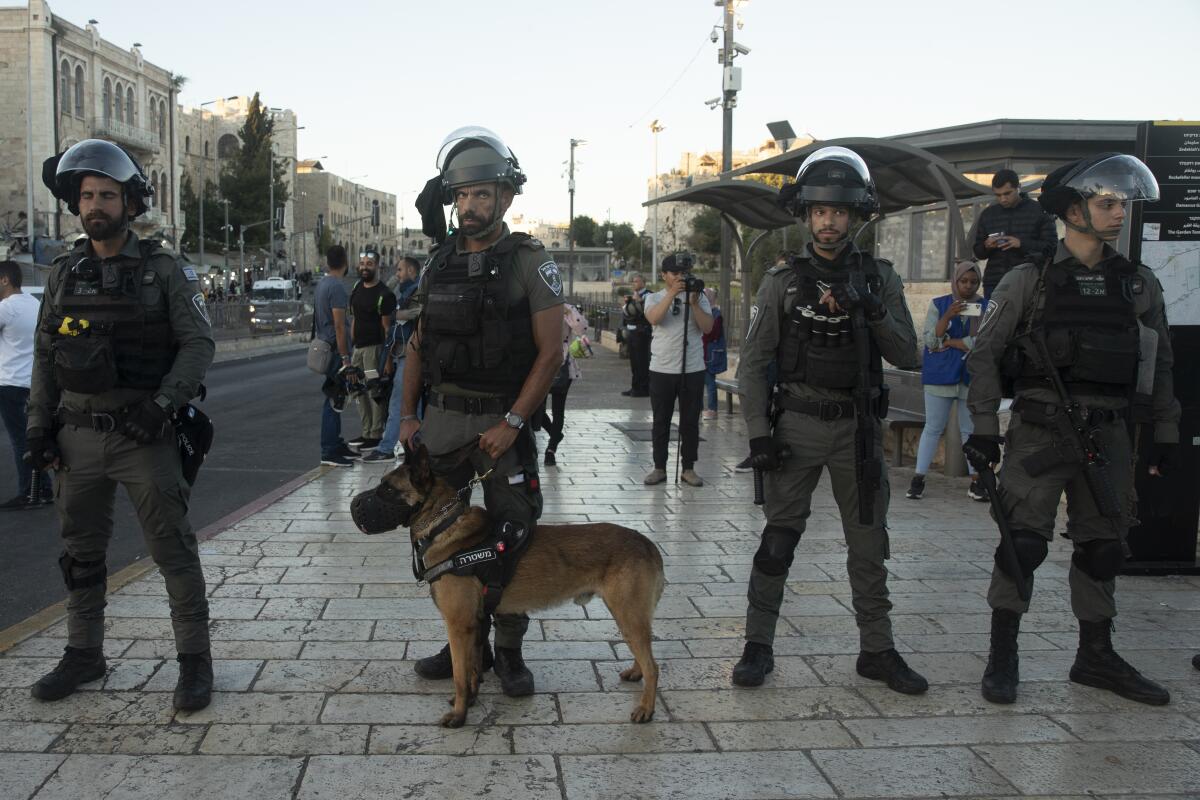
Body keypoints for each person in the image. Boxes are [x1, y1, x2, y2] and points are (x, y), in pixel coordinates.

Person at [964, 153, 1177, 707]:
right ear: (1073, 210)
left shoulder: (1137, 285)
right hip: (1040, 431)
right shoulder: (1027, 281)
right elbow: (984, 357)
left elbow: (1161, 364)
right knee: (1022, 545)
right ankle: (1003, 653)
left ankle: (1095, 655)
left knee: (1105, 547)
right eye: (1106, 203)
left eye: (1122, 205)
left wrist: (1165, 432)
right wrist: (984, 428)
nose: (1118, 215)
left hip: (1108, 434)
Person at [28, 139, 215, 710]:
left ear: (130, 203)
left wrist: (161, 405)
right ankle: (84, 653)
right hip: (77, 435)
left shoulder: (161, 270)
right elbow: (44, 353)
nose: (95, 205)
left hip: (144, 436)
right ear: (75, 204)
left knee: (173, 552)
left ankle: (193, 664)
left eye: (107, 195)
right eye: (86, 196)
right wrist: (39, 426)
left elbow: (198, 342)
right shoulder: (65, 272)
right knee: (80, 553)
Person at [732, 146, 927, 694]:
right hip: (796, 424)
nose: (829, 221)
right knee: (777, 542)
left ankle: (878, 650)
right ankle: (757, 646)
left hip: (859, 430)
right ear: (805, 215)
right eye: (820, 210)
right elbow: (752, 364)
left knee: (868, 544)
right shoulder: (783, 281)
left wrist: (871, 309)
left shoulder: (879, 279)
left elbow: (909, 354)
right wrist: (759, 435)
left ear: (856, 215)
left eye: (840, 211)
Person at [399, 126, 563, 696]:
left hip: (502, 426)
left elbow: (551, 353)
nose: (470, 206)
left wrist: (513, 421)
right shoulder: (438, 263)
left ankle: (511, 651)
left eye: (482, 195)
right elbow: (418, 342)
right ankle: (463, 644)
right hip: (442, 422)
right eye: (462, 196)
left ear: (506, 198)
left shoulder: (528, 261)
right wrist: (407, 416)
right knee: (443, 537)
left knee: (513, 535)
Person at [906, 259, 985, 501]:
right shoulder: (939, 305)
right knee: (933, 427)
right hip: (940, 377)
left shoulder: (984, 307)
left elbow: (980, 342)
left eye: (973, 282)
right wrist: (948, 316)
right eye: (963, 281)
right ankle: (918, 478)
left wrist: (949, 342)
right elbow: (931, 341)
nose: (968, 286)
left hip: (968, 376)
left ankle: (976, 481)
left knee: (968, 430)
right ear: (955, 281)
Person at [642, 253, 713, 487]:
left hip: (692, 368)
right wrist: (672, 294)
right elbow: (654, 318)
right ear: (664, 275)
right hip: (662, 368)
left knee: (690, 421)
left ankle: (689, 468)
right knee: (660, 420)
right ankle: (659, 467)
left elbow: (708, 328)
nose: (681, 278)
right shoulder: (654, 298)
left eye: (684, 273)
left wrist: (693, 302)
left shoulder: (699, 298)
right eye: (675, 274)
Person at [0, 260, 52, 508]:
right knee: (33, 437)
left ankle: (29, 492)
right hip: (34, 382)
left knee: (20, 440)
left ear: (5, 280)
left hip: (9, 384)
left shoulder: (6, 308)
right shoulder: (34, 304)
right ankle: (44, 489)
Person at [363, 255, 422, 462]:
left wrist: (397, 314)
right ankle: (414, 446)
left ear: (412, 272)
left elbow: (415, 314)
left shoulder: (417, 292)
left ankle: (386, 447)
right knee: (408, 402)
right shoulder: (402, 292)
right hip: (398, 354)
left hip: (409, 355)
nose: (396, 274)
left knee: (399, 401)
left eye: (400, 270)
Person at [972, 169, 1059, 301]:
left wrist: (1021, 244)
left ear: (1019, 188)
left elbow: (1052, 248)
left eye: (1007, 193)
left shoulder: (1039, 211)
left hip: (1028, 281)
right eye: (998, 195)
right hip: (994, 282)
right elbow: (978, 252)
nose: (1003, 199)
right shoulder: (988, 214)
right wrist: (986, 245)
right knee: (994, 321)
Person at [347, 245, 396, 452]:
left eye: (369, 264)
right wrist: (351, 350)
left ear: (377, 267)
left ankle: (376, 434)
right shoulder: (357, 287)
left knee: (374, 391)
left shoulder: (385, 294)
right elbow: (354, 318)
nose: (365, 267)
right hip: (357, 350)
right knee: (357, 390)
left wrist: (387, 359)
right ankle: (366, 431)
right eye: (362, 264)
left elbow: (387, 330)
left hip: (374, 351)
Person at [315, 245, 360, 467]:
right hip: (335, 350)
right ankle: (330, 450)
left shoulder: (322, 284)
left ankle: (335, 442)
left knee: (335, 397)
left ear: (327, 261)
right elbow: (340, 326)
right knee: (335, 399)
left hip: (325, 345)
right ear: (345, 261)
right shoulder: (337, 288)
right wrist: (345, 359)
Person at [539, 303, 588, 466]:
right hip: (540, 364)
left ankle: (551, 450)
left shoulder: (566, 308)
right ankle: (555, 433)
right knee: (536, 410)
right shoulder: (538, 304)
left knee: (558, 410)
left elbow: (581, 330)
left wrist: (568, 312)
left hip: (562, 363)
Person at [620, 273, 652, 397]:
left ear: (643, 282)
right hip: (632, 332)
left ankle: (643, 389)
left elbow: (648, 312)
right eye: (633, 281)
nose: (634, 284)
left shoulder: (648, 295)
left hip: (642, 332)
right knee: (634, 362)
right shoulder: (633, 295)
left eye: (637, 281)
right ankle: (635, 387)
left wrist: (639, 301)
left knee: (642, 361)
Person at [701, 287, 726, 421]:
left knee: (710, 382)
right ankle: (699, 408)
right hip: (702, 352)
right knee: (699, 382)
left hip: (710, 354)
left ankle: (712, 409)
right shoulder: (703, 312)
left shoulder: (716, 313)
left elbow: (712, 333)